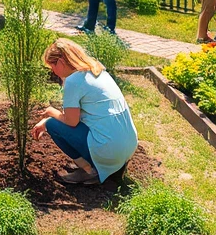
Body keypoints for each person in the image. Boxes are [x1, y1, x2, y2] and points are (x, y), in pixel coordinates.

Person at [32, 38, 138, 185]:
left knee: (52, 125)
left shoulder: (73, 81)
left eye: (52, 66)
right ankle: (111, 166)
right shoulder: (98, 71)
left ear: (61, 61)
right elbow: (80, 114)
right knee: (55, 122)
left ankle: (89, 171)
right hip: (128, 146)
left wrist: (50, 113)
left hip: (110, 150)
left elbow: (71, 121)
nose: (52, 71)